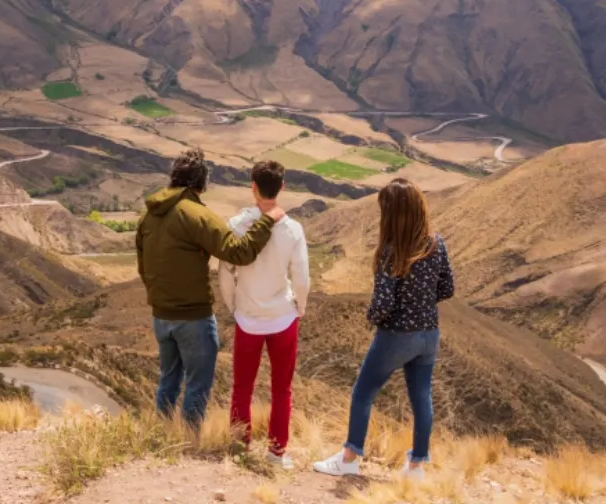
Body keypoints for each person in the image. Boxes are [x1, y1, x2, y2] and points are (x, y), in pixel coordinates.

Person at [313, 178, 454, 480]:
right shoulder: (436, 242)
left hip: (396, 335)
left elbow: (383, 302)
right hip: (429, 333)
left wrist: (373, 318)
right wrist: (422, 304)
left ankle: (349, 458)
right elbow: (447, 287)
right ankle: (415, 467)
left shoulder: (391, 250)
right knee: (421, 398)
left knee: (363, 393)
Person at [136, 148, 286, 429]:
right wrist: (267, 220)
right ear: (201, 182)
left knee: (168, 381)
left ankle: (160, 437)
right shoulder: (196, 215)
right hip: (193, 318)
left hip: (161, 316)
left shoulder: (149, 215)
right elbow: (239, 252)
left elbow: (143, 267)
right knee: (197, 385)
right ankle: (190, 445)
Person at [221, 160, 310, 470]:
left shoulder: (236, 225)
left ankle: (238, 445)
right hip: (283, 319)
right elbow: (301, 277)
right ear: (282, 187)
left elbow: (224, 273)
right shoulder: (293, 229)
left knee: (241, 387)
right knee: (281, 389)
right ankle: (276, 452)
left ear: (253, 186)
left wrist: (233, 305)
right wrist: (300, 306)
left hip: (248, 318)